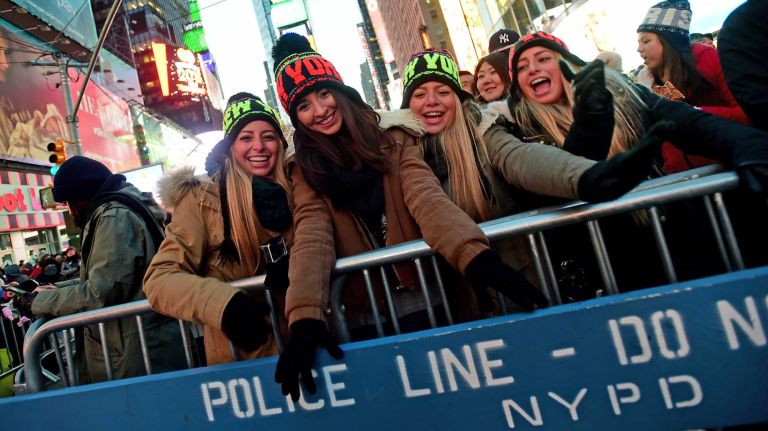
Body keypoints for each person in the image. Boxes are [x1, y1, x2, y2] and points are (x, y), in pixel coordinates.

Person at [270, 33, 548, 402]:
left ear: (342, 92)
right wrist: (304, 316)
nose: (319, 110)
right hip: (367, 316)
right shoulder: (303, 168)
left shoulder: (395, 136)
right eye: (303, 105)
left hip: (430, 297)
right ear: (296, 118)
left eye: (324, 93)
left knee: (464, 402)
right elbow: (312, 235)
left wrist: (476, 257)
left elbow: (425, 198)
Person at [402, 48, 673, 301]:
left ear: (458, 100)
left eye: (442, 91)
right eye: (420, 94)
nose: (432, 102)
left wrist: (587, 176)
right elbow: (426, 200)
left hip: (526, 288)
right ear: (407, 104)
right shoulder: (401, 151)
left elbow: (521, 158)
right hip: (462, 301)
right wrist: (474, 258)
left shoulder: (484, 131)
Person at [505, 31, 768, 287]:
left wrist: (748, 146)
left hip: (679, 241)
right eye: (522, 67)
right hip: (615, 271)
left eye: (543, 58)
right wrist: (591, 125)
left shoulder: (623, 94)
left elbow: (687, 122)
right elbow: (565, 178)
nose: (533, 69)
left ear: (568, 63)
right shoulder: (524, 134)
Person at [144, 93, 293, 366]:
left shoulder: (298, 186)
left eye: (268, 136)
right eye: (246, 137)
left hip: (309, 347)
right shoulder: (201, 200)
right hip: (247, 360)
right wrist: (224, 305)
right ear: (231, 147)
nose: (258, 146)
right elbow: (159, 280)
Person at [10, 156, 186, 384]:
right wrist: (51, 290)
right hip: (139, 348)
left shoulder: (114, 218)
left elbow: (99, 293)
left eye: (70, 203)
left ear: (83, 196)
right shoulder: (121, 209)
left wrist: (37, 303)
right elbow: (107, 277)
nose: (71, 214)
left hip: (136, 358)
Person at [636, 0, 749, 173]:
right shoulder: (649, 78)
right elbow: (668, 123)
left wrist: (693, 113)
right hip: (682, 180)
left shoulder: (708, 59)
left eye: (646, 41)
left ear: (669, 41)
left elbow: (745, 113)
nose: (639, 49)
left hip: (727, 172)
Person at [718, 0, 768, 131]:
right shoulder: (661, 77)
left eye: (655, 38)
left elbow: (742, 113)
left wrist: (695, 111)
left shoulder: (705, 57)